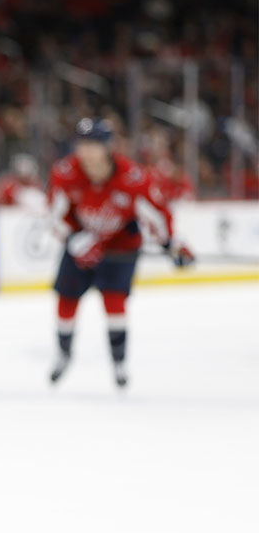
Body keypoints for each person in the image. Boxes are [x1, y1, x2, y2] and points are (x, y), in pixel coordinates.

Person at [46, 118, 195, 388]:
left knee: (115, 303)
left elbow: (158, 216)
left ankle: (119, 362)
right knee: (66, 300)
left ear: (107, 147)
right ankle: (63, 354)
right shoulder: (65, 172)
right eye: (82, 145)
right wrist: (74, 238)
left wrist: (172, 244)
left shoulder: (132, 178)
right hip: (80, 243)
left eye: (94, 145)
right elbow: (53, 215)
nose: (87, 152)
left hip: (120, 247)